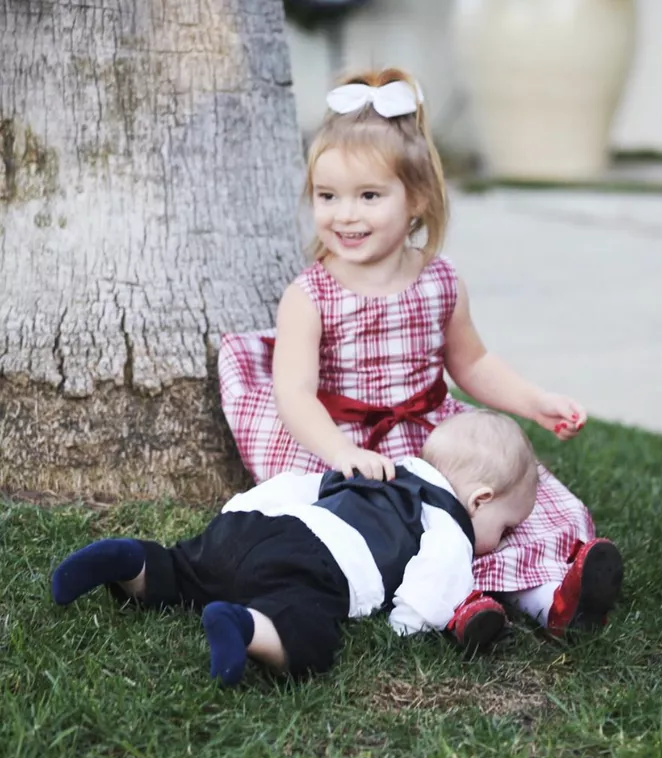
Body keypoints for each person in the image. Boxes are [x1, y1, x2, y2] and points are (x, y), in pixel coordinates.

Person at [218, 67, 623, 649]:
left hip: (434, 437)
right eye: (328, 196)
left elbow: (474, 364)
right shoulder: (310, 296)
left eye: (369, 196)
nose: (345, 215)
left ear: (418, 201)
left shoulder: (439, 281)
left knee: (507, 497)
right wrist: (341, 452)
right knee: (403, 533)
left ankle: (552, 597)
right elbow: (294, 394)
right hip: (353, 442)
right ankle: (463, 607)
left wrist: (536, 403)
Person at [51, 411, 539, 685]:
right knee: (306, 628)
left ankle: (131, 561)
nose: (505, 537)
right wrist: (406, 627)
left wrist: (240, 511)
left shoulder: (377, 468)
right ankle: (247, 626)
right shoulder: (451, 525)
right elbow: (434, 587)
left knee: (183, 570)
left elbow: (301, 484)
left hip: (256, 524)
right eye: (507, 526)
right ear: (479, 500)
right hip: (319, 561)